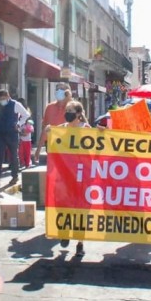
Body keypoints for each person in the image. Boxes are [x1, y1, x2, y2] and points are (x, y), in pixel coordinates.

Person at [47, 100, 90, 257]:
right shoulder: (61, 130)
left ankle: (80, 243)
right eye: (67, 110)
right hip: (63, 177)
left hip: (81, 177)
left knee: (81, 211)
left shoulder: (86, 130)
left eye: (70, 110)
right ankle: (64, 232)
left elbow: (99, 145)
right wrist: (49, 132)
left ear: (78, 114)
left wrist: (101, 132)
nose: (67, 113)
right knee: (62, 206)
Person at [0, 89, 30, 188]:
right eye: (0, 99)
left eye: (3, 98)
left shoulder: (15, 104)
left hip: (12, 133)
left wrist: (19, 124)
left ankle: (14, 176)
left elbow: (26, 114)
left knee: (13, 155)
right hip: (1, 133)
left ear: (8, 97)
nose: (2, 100)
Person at [34, 82, 73, 163]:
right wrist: (38, 149)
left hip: (69, 144)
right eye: (57, 89)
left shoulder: (73, 107)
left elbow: (81, 126)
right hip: (52, 144)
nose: (59, 91)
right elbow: (45, 129)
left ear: (67, 92)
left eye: (61, 89)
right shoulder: (50, 107)